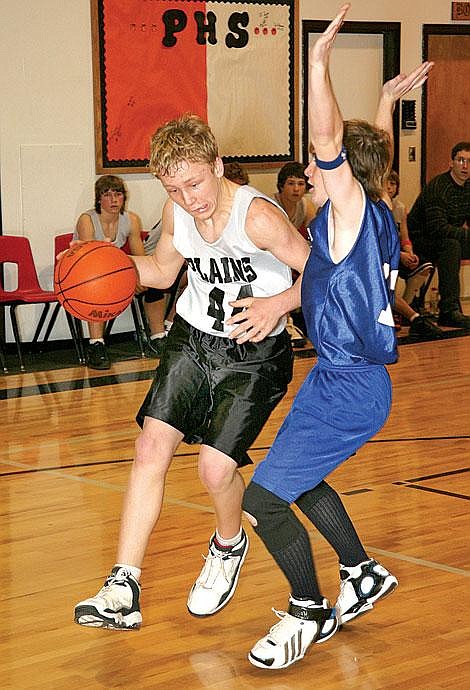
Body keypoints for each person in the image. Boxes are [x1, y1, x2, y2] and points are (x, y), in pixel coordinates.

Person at [241, 4, 433, 670]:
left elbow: (333, 143)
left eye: (325, 167)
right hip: (345, 379)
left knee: (262, 499)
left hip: (349, 383)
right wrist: (383, 101)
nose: (313, 172)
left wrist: (319, 65)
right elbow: (366, 154)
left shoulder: (349, 210)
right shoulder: (373, 212)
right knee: (300, 479)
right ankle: (362, 572)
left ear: (344, 171)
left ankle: (307, 608)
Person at [73, 114, 311, 629]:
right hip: (193, 339)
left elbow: (322, 270)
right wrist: (96, 267)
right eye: (175, 189)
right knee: (149, 447)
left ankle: (228, 544)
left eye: (196, 183)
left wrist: (280, 304)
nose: (189, 198)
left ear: (218, 166)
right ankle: (123, 584)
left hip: (254, 353)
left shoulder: (258, 217)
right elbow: (161, 272)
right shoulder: (178, 212)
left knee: (214, 469)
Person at [74, 175, 146, 369]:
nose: (114, 199)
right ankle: (96, 344)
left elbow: (139, 256)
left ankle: (157, 336)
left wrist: (137, 277)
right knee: (98, 288)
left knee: (152, 282)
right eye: (107, 195)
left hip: (110, 270)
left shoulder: (131, 219)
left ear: (124, 197)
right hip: (81, 273)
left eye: (118, 194)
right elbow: (90, 258)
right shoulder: (87, 219)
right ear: (99, 199)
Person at [407, 142, 470, 328]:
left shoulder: (468, 188)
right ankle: (449, 311)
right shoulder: (438, 188)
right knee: (451, 246)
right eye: (461, 160)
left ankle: (452, 308)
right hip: (420, 240)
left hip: (449, 238)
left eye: (469, 161)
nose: (465, 166)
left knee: (453, 243)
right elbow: (437, 228)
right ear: (451, 163)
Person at [386, 171, 443, 339]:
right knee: (388, 284)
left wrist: (409, 252)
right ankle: (402, 312)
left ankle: (403, 310)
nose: (389, 187)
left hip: (398, 252)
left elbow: (405, 237)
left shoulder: (400, 208)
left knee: (423, 267)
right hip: (385, 255)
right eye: (386, 183)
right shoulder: (374, 206)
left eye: (393, 184)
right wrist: (400, 255)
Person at [274, 162, 317, 347]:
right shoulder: (272, 205)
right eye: (291, 183)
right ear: (281, 185)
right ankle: (287, 324)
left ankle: (311, 320)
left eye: (301, 184)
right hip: (274, 256)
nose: (296, 189)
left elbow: (313, 236)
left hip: (293, 255)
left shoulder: (306, 206)